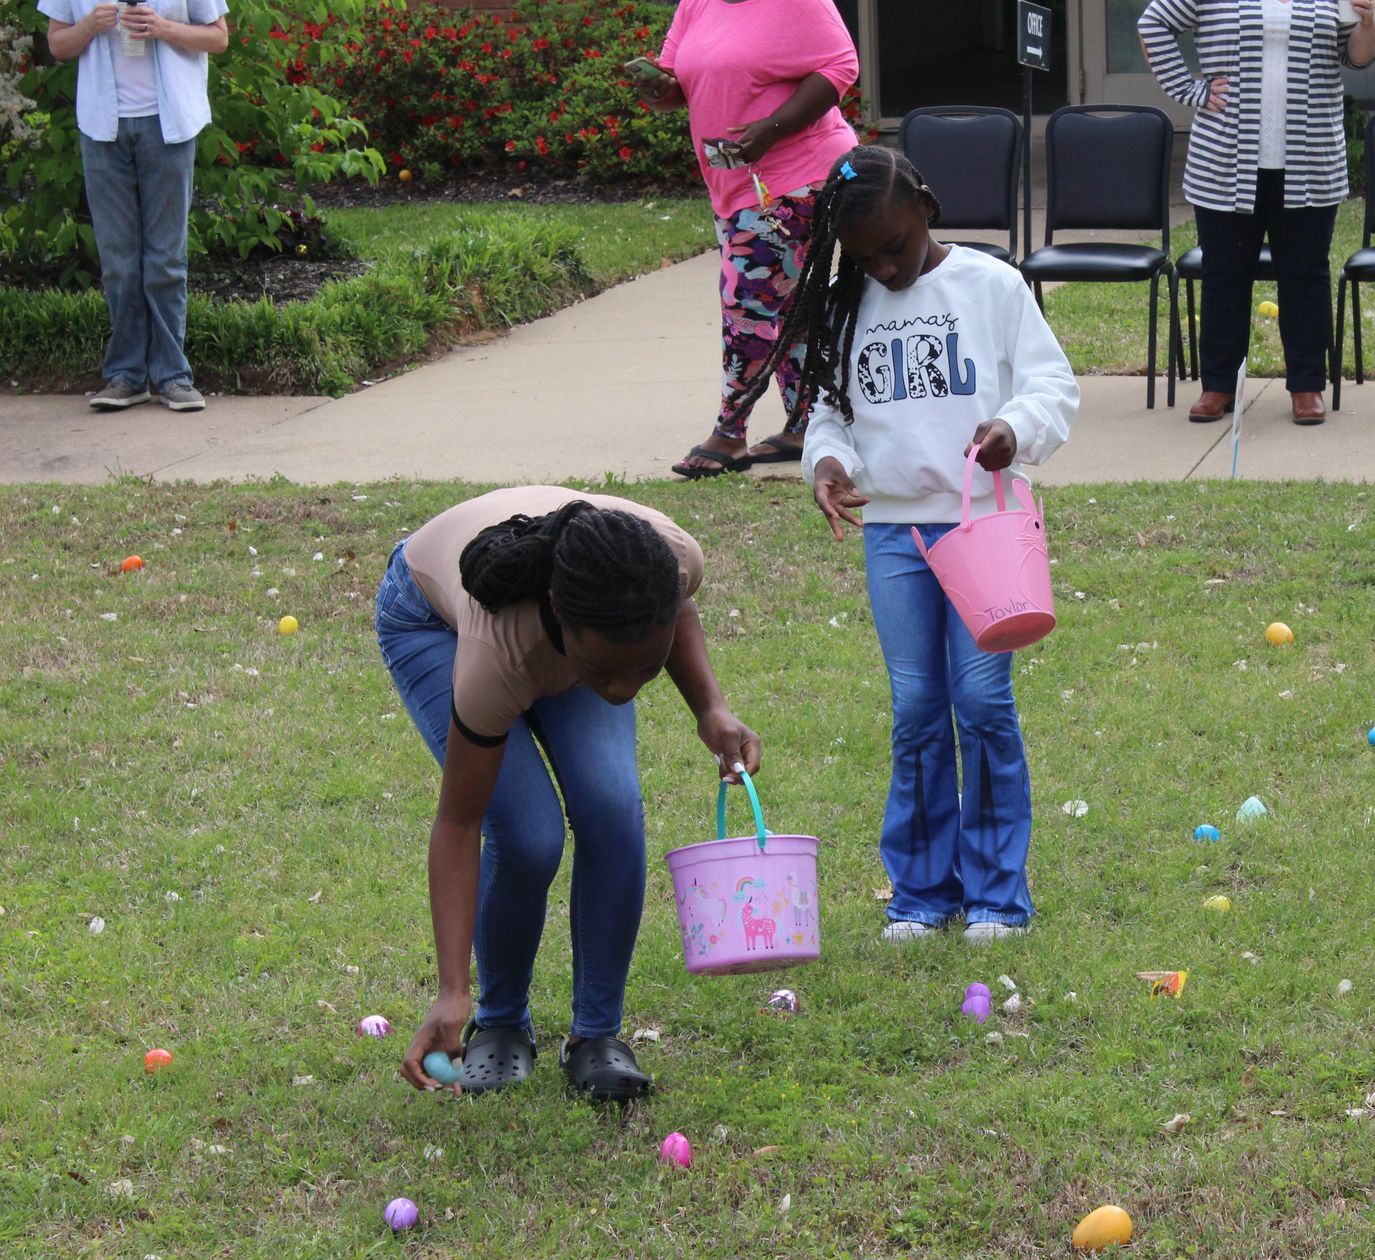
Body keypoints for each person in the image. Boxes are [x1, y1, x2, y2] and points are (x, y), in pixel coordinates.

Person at [726, 144, 1076, 942]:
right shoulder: (846, 303)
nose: (885, 266)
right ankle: (922, 892)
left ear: (926, 203)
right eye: (866, 254)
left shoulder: (991, 285)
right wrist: (826, 464)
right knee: (918, 709)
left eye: (895, 245)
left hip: (984, 527)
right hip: (893, 533)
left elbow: (1051, 386)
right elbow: (830, 413)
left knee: (983, 703)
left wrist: (1011, 429)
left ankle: (997, 895)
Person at [375, 487, 761, 1102]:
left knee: (611, 810)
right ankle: (499, 1022)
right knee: (528, 835)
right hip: (432, 616)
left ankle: (597, 1037)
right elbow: (459, 823)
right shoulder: (495, 654)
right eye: (607, 672)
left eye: (644, 669)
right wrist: (453, 989)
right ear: (561, 617)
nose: (623, 690)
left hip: (587, 621)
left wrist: (709, 709)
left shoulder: (667, 561)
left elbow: (674, 607)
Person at [635, 0, 859, 478]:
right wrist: (659, 89)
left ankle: (729, 434)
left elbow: (842, 65)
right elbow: (682, 84)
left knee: (747, 304)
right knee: (790, 307)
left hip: (799, 172)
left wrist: (772, 128)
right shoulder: (697, 4)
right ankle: (805, 425)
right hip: (738, 182)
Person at [1138, 0, 1375, 429]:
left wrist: (1369, 18)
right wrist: (1190, 89)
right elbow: (1153, 24)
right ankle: (1218, 386)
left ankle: (1307, 387)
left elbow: (1359, 56)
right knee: (1224, 274)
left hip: (1310, 160)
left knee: (1306, 274)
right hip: (1225, 162)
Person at [40, 0, 228, 412]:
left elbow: (218, 37)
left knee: (165, 258)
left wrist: (162, 27)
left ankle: (173, 376)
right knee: (119, 260)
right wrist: (89, 24)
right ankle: (126, 376)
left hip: (169, 123)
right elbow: (58, 44)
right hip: (102, 126)